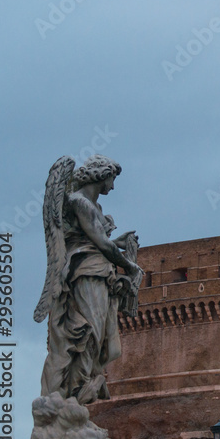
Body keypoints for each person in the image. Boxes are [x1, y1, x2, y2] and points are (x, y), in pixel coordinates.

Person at [35, 155, 142, 406]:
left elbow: (97, 240)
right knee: (89, 333)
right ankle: (75, 390)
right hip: (85, 273)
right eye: (112, 179)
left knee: (102, 338)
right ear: (101, 175)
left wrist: (119, 243)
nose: (112, 186)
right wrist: (130, 266)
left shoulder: (95, 207)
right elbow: (101, 244)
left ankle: (79, 393)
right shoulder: (78, 202)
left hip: (100, 273)